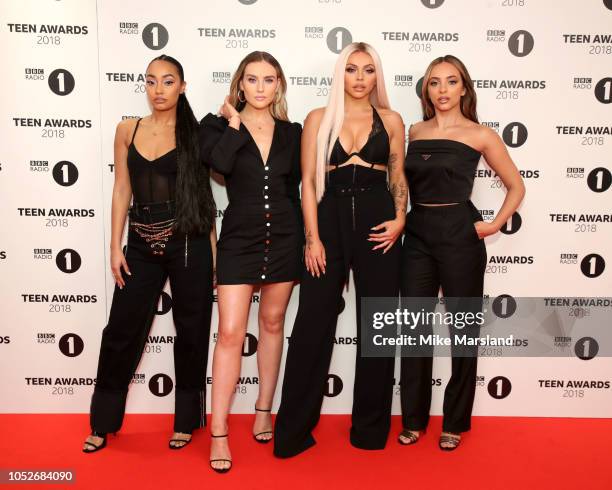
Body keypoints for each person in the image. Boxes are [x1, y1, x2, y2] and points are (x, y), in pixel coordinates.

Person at [273, 42, 407, 458]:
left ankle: (369, 430)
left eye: (368, 70)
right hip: (327, 221)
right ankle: (293, 430)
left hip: (377, 219)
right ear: (340, 74)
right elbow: (309, 183)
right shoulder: (318, 118)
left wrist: (401, 217)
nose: (360, 78)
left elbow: (398, 175)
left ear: (376, 76)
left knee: (378, 326)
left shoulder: (391, 119)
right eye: (352, 69)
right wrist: (312, 238)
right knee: (313, 324)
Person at [83, 55, 216, 453]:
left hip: (189, 239)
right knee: (121, 330)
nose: (159, 90)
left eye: (168, 81)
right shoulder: (127, 129)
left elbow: (204, 196)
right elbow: (122, 189)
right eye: (152, 81)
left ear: (182, 86)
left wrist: (212, 252)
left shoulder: (195, 133)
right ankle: (102, 423)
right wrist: (114, 246)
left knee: (192, 332)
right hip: (139, 242)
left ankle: (186, 421)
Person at [398, 54, 525, 451]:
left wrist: (494, 223)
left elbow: (516, 186)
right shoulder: (414, 131)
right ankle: (413, 420)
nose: (442, 91)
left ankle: (454, 421)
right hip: (417, 234)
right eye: (434, 83)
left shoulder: (481, 134)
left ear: (464, 88)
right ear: (426, 89)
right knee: (415, 331)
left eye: (451, 82)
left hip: (460, 234)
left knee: (462, 332)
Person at [199, 51, 303, 473]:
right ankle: (219, 430)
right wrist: (234, 125)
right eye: (253, 80)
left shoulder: (293, 133)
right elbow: (219, 166)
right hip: (238, 240)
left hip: (284, 237)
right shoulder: (215, 126)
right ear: (240, 84)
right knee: (228, 333)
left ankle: (264, 409)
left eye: (269, 80)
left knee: (274, 323)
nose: (261, 88)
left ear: (279, 85)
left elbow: (302, 186)